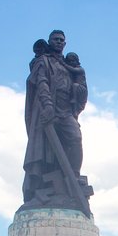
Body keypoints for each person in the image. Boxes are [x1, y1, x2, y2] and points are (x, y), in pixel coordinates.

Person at [21, 29, 90, 211]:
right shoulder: (43, 62)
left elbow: (82, 88)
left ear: (65, 44)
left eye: (61, 40)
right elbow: (41, 82)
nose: (59, 42)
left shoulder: (69, 65)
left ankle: (72, 178)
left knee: (75, 139)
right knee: (46, 150)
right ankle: (46, 188)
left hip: (66, 111)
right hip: (49, 110)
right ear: (50, 42)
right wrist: (47, 104)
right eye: (55, 39)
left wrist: (77, 88)